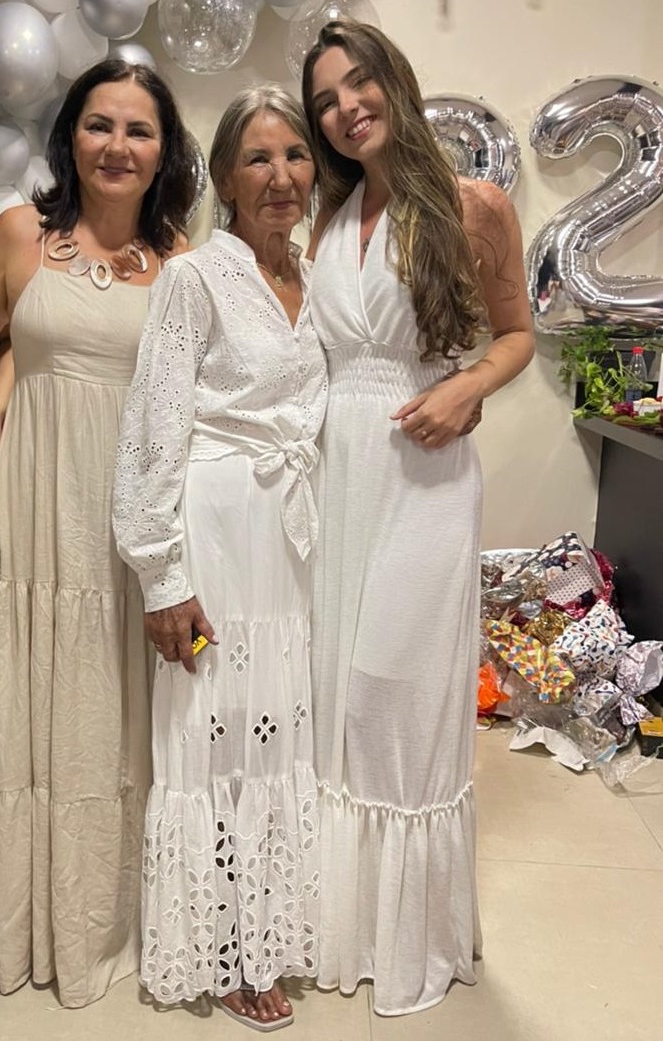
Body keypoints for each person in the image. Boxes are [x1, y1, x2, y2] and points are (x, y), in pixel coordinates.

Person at [300, 20, 535, 1016]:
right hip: (332, 476)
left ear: (392, 81)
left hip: (423, 473)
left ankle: (410, 935)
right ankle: (337, 922)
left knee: (392, 693)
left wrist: (468, 385)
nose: (345, 108)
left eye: (357, 83)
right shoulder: (329, 215)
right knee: (333, 697)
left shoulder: (472, 205)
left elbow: (516, 333)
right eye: (324, 99)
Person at [0, 58, 196, 1007]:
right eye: (99, 124)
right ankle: (34, 912)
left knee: (119, 711)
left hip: (131, 517)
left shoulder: (181, 260)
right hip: (32, 506)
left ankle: (116, 912)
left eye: (139, 130)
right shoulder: (18, 235)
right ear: (69, 137)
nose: (117, 145)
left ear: (163, 151)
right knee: (37, 699)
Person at [113, 86, 327, 1031]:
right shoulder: (195, 278)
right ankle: (224, 949)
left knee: (272, 724)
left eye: (295, 155)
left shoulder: (317, 280)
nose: (280, 176)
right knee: (210, 726)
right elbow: (150, 434)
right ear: (226, 181)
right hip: (212, 534)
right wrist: (162, 578)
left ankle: (268, 928)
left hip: (288, 537)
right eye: (257, 158)